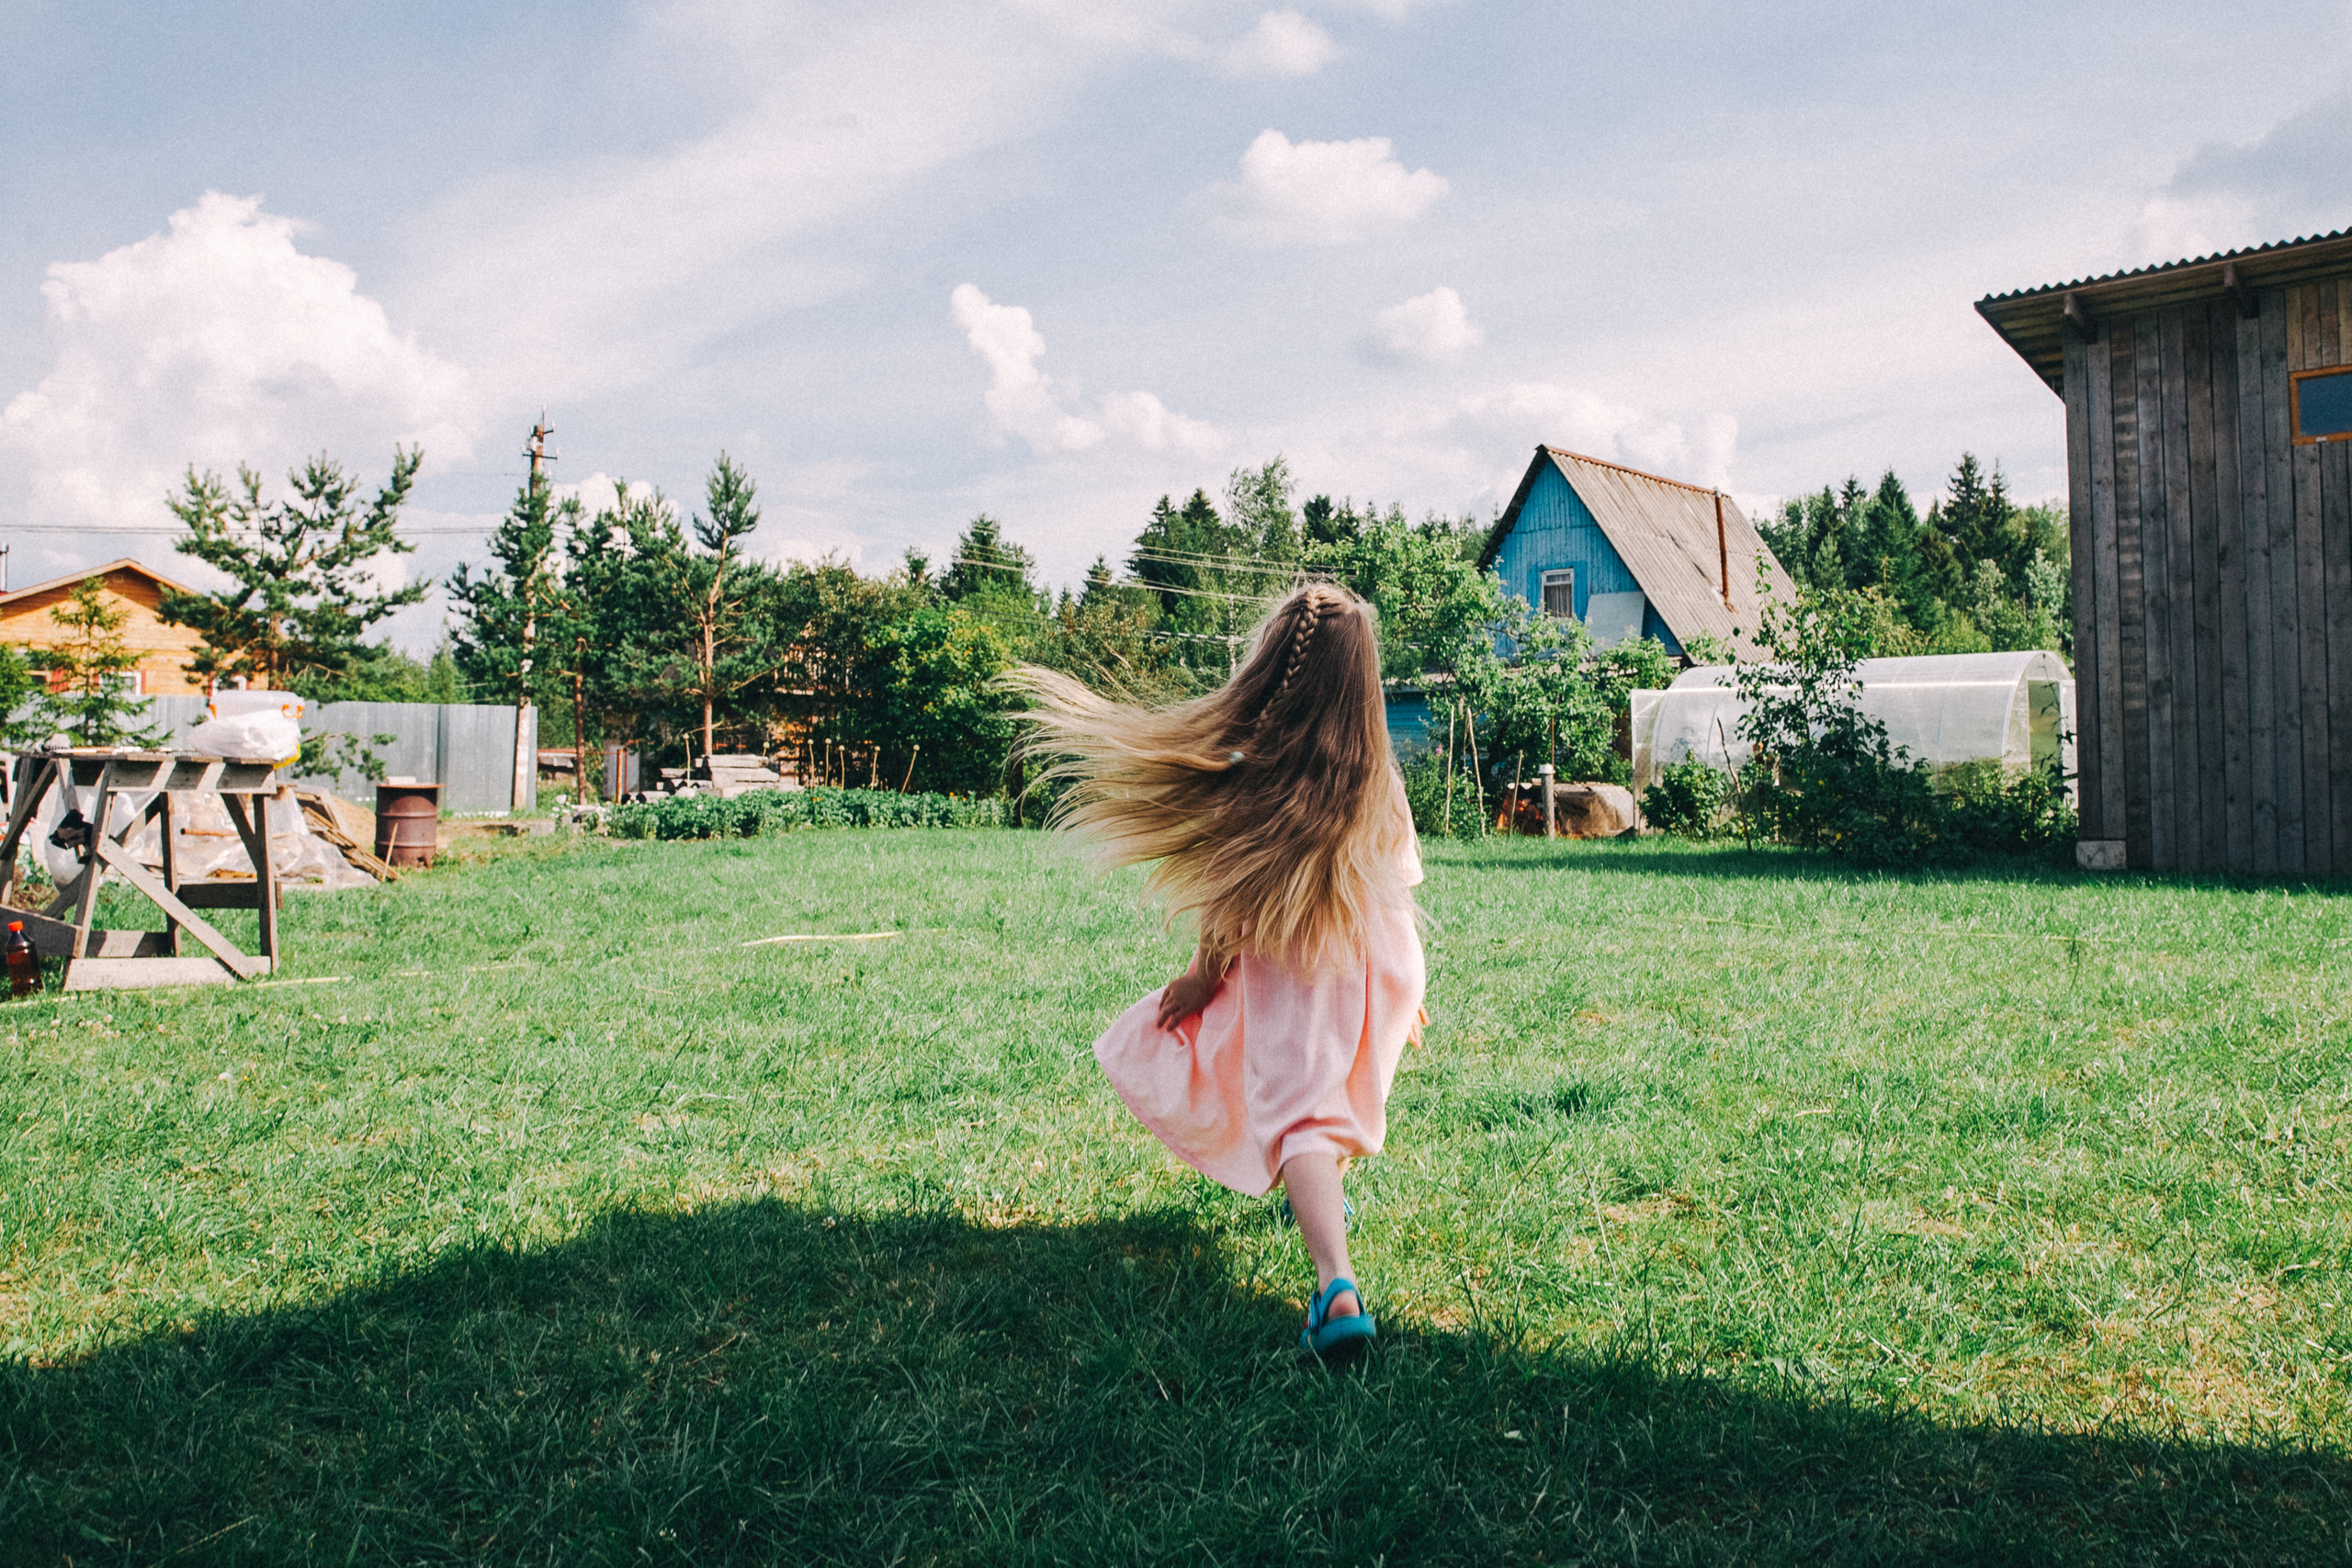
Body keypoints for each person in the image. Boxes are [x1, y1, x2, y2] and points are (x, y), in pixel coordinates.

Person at [1014, 581, 1425, 1358]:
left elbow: (1230, 901)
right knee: (1326, 1103)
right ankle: (1322, 1219)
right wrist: (1401, 998)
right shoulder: (1378, 777)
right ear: (1360, 685)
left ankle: (1336, 1285)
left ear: (1274, 672)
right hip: (1378, 966)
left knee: (1304, 1122)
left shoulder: (1258, 768)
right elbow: (1399, 886)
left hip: (1298, 971)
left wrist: (1203, 977)